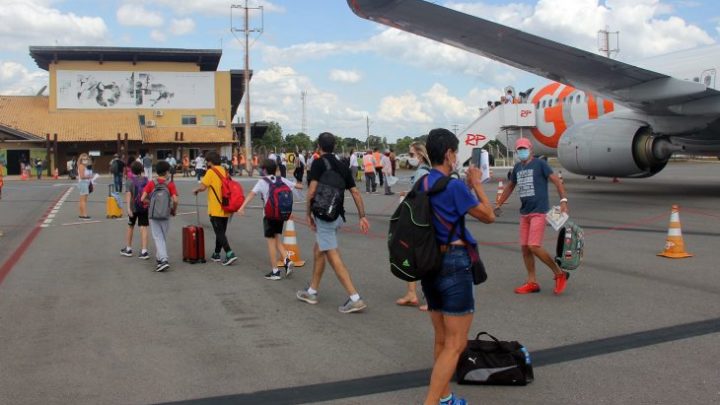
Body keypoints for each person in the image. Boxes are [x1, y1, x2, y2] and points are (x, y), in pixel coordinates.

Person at [420, 128, 495, 405]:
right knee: (456, 343)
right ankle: (432, 402)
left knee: (441, 338)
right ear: (450, 154)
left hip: (429, 265)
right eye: (456, 152)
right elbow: (488, 216)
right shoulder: (453, 186)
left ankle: (444, 397)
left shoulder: (423, 183)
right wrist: (476, 184)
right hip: (453, 263)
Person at [296, 132, 370, 314]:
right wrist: (362, 216)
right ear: (334, 146)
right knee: (319, 250)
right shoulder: (342, 165)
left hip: (324, 217)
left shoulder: (319, 163)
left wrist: (308, 214)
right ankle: (312, 291)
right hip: (337, 216)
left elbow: (312, 192)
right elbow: (355, 193)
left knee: (332, 255)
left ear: (319, 146)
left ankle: (355, 298)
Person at [495, 137, 570, 295]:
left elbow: (557, 181)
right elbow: (510, 186)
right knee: (525, 248)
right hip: (525, 213)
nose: (522, 152)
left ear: (531, 150)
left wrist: (563, 200)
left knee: (533, 245)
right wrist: (499, 203)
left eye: (524, 148)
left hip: (539, 211)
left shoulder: (540, 164)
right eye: (519, 149)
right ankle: (532, 282)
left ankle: (559, 273)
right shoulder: (517, 168)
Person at [238, 158, 304, 280]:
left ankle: (275, 271)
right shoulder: (281, 179)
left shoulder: (262, 181)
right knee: (276, 238)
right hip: (280, 215)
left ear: (264, 170)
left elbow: (252, 194)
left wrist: (242, 207)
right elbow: (298, 186)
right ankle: (287, 260)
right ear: (275, 169)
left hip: (269, 215)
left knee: (271, 243)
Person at [396, 142, 433, 311]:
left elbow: (419, 195)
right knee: (410, 255)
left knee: (420, 257)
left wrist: (408, 194)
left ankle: (431, 297)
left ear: (419, 154)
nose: (410, 157)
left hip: (419, 219)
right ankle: (411, 292)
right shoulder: (424, 170)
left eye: (411, 154)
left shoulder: (423, 171)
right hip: (419, 217)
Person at [192, 151, 238, 266]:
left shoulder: (211, 172)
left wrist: (196, 190)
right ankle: (217, 253)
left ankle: (229, 253)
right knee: (221, 232)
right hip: (226, 206)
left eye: (207, 161)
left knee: (219, 233)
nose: (206, 163)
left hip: (216, 208)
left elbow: (203, 187)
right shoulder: (225, 170)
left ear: (210, 162)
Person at [140, 161, 178, 272]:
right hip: (166, 214)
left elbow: (142, 199)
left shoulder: (152, 183)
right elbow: (175, 200)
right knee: (162, 237)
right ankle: (160, 259)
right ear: (166, 172)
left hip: (153, 214)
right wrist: (173, 210)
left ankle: (163, 259)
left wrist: (151, 203)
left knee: (158, 237)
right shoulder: (170, 184)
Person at [121, 161, 150, 260]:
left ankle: (128, 249)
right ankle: (144, 251)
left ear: (131, 170)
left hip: (133, 207)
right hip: (144, 207)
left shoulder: (129, 181)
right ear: (141, 170)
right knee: (144, 227)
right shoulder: (146, 180)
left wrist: (128, 208)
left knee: (130, 226)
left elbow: (128, 194)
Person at [76, 153, 93, 220]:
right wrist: (90, 176)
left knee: (82, 200)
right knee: (83, 200)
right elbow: (82, 176)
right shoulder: (81, 166)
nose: (85, 160)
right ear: (81, 160)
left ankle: (81, 213)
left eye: (86, 159)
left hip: (84, 183)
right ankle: (84, 215)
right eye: (84, 159)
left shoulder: (83, 166)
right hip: (83, 183)